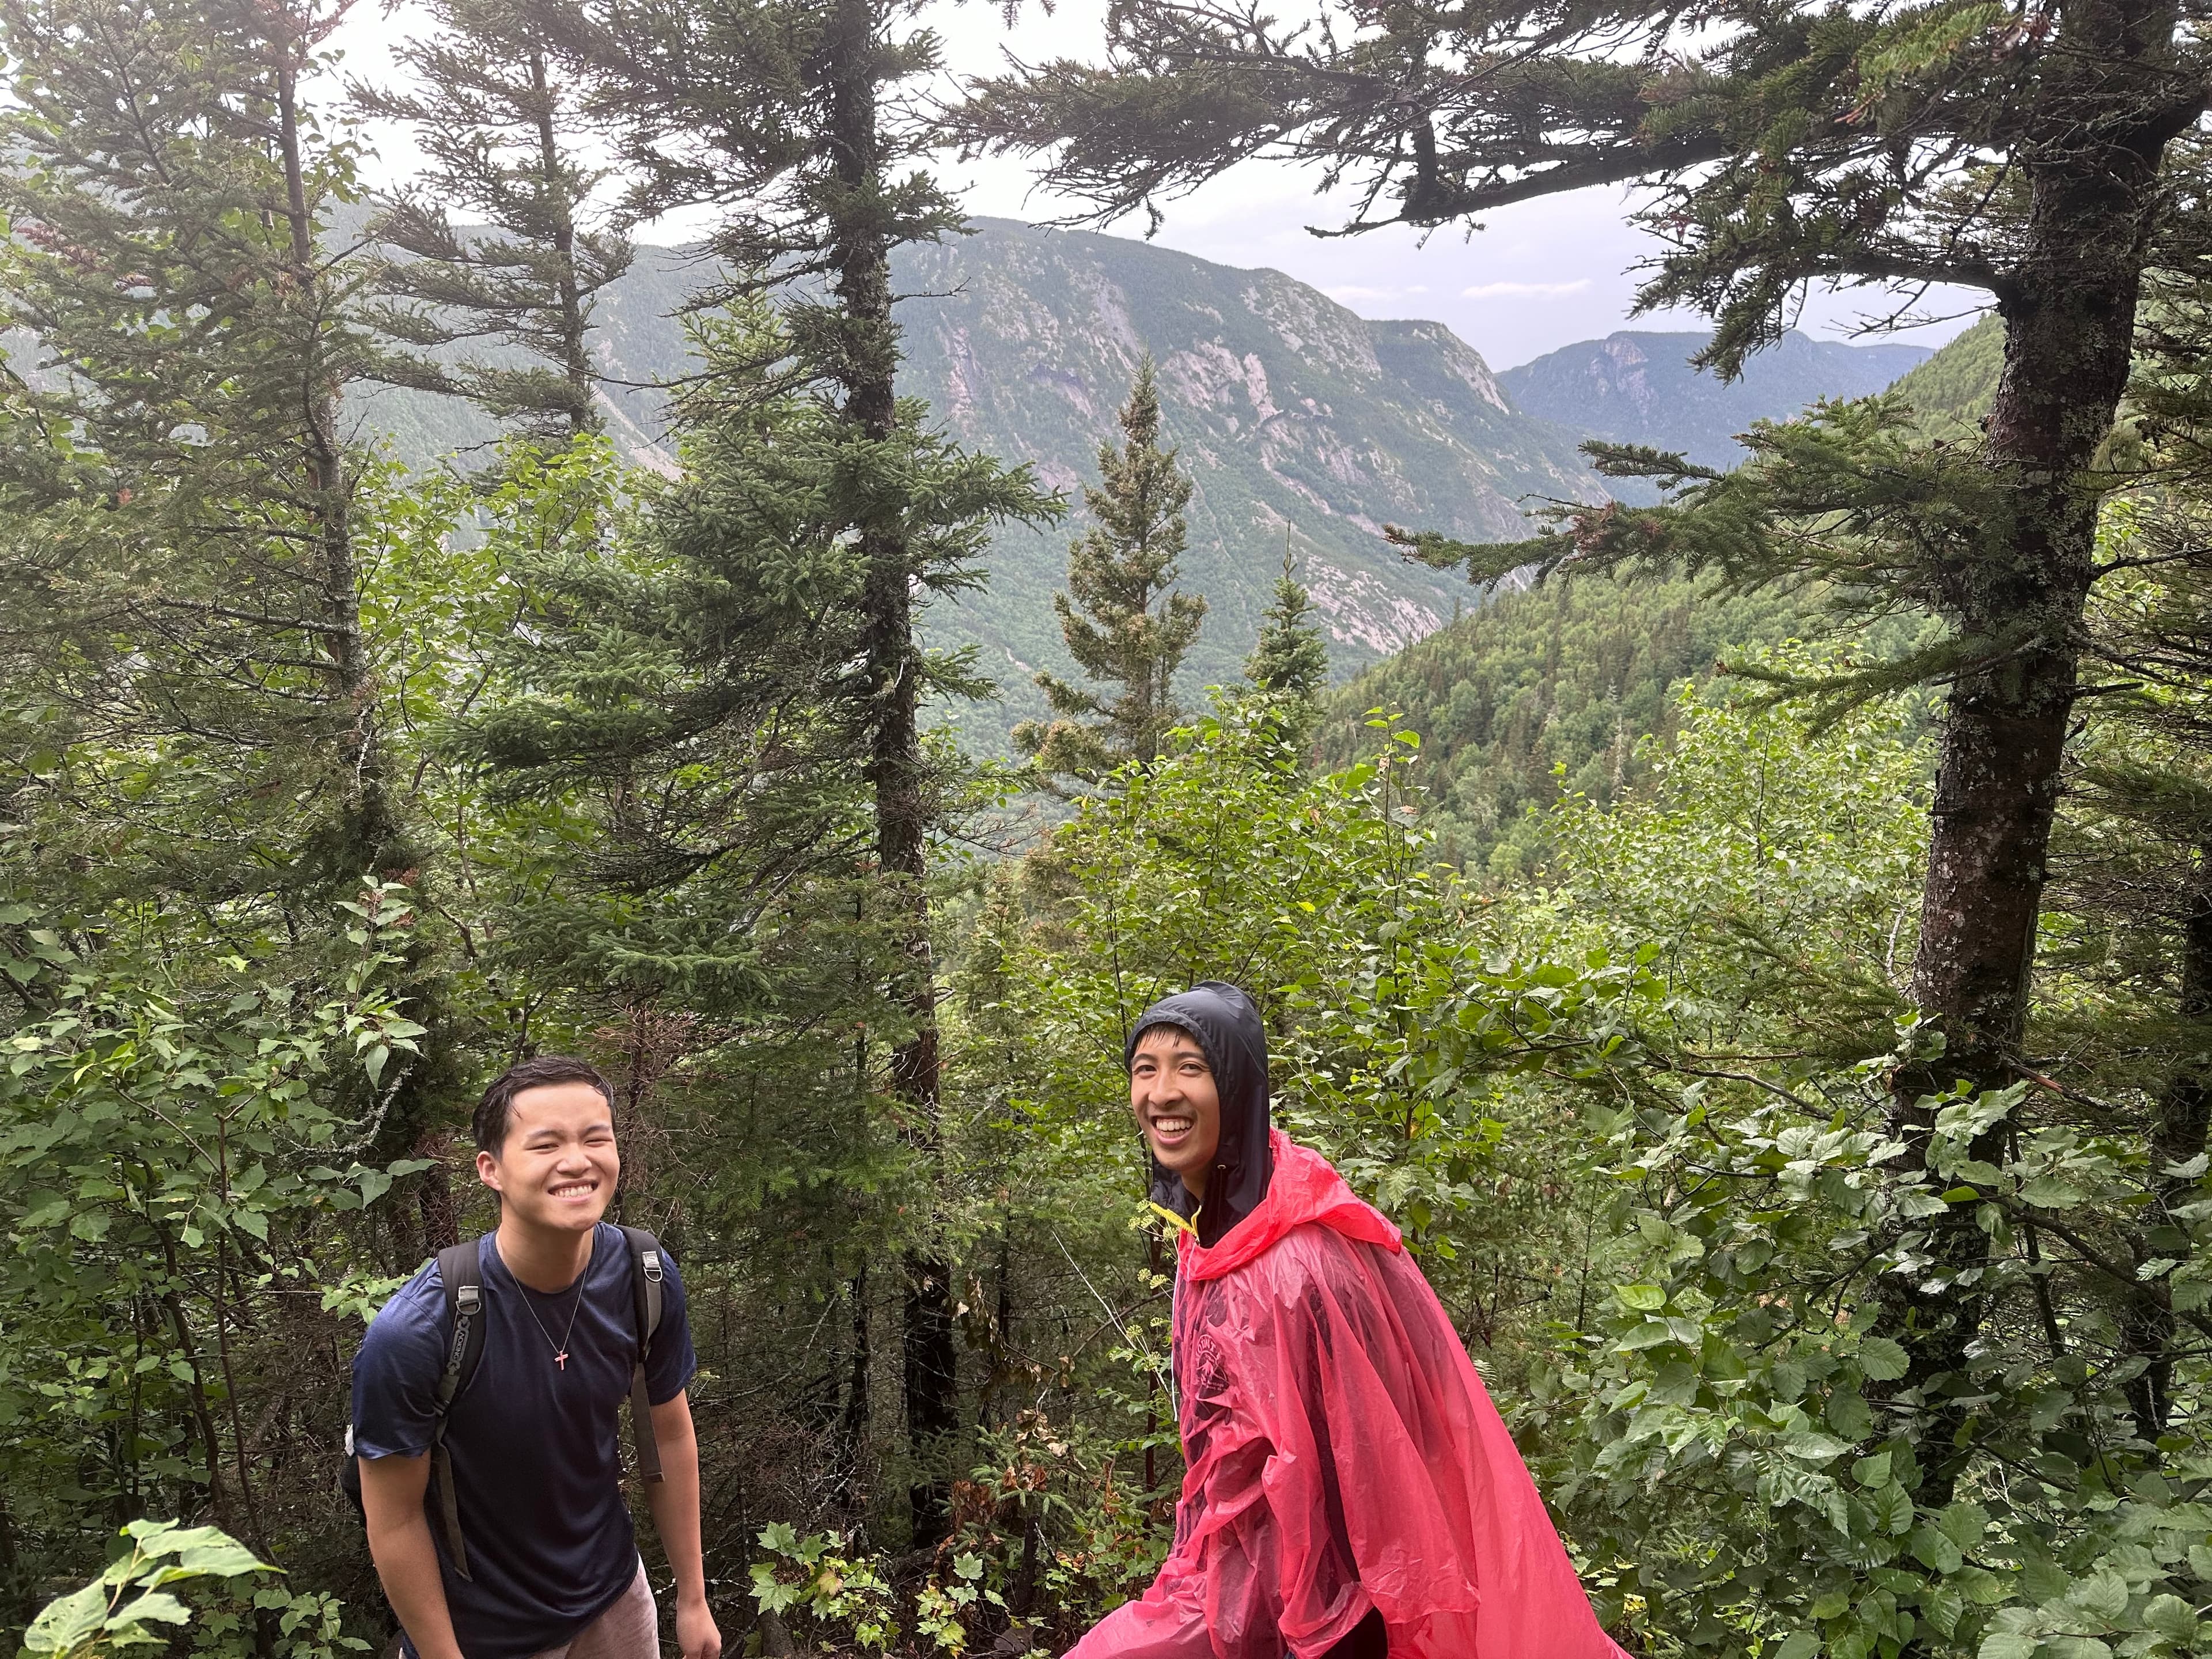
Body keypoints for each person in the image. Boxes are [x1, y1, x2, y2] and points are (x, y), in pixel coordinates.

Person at [1075, 982, 1629, 1659]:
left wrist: (1316, 1614)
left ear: (1237, 1088)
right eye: (1145, 1069)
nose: (1161, 1092)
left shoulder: (1295, 1264)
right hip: (1232, 1579)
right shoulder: (1215, 1235)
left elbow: (1379, 1453)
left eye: (1191, 1067)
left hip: (1322, 1613)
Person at [351, 1057, 721, 1659]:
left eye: (595, 1138)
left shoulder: (643, 1276)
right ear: (490, 1170)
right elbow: (392, 1521)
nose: (577, 1161)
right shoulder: (419, 1330)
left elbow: (671, 1436)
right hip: (485, 1634)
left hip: (615, 1601)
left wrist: (693, 1598)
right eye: (545, 1144)